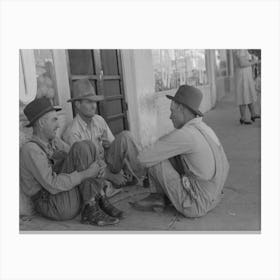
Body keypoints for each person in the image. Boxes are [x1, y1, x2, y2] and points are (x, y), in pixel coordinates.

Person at [20, 97, 124, 226]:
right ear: (41, 123)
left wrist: (99, 164)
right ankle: (92, 204)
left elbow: (80, 153)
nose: (58, 125)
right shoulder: (31, 150)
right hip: (52, 204)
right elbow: (52, 184)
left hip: (62, 195)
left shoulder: (53, 141)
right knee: (82, 148)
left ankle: (97, 200)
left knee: (87, 145)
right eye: (54, 120)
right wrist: (86, 174)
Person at [132, 85, 229, 218]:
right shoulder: (205, 129)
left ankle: (157, 197)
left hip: (196, 205)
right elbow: (226, 166)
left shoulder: (185, 135)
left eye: (172, 111)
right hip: (215, 197)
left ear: (182, 109)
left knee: (155, 159)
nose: (170, 117)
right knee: (170, 153)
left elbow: (143, 158)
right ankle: (161, 196)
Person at [63, 79, 144, 188]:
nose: (94, 106)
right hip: (92, 173)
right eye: (89, 102)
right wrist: (110, 176)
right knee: (95, 177)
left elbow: (113, 146)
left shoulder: (99, 120)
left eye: (94, 102)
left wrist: (124, 164)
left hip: (107, 163)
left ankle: (143, 176)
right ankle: (110, 184)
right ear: (77, 104)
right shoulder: (72, 132)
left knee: (126, 136)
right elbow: (83, 167)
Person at [233, 49, 261, 125]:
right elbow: (242, 64)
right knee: (243, 95)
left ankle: (253, 114)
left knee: (248, 95)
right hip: (243, 76)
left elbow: (244, 61)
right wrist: (254, 62)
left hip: (245, 75)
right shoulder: (240, 49)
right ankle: (243, 118)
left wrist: (251, 58)